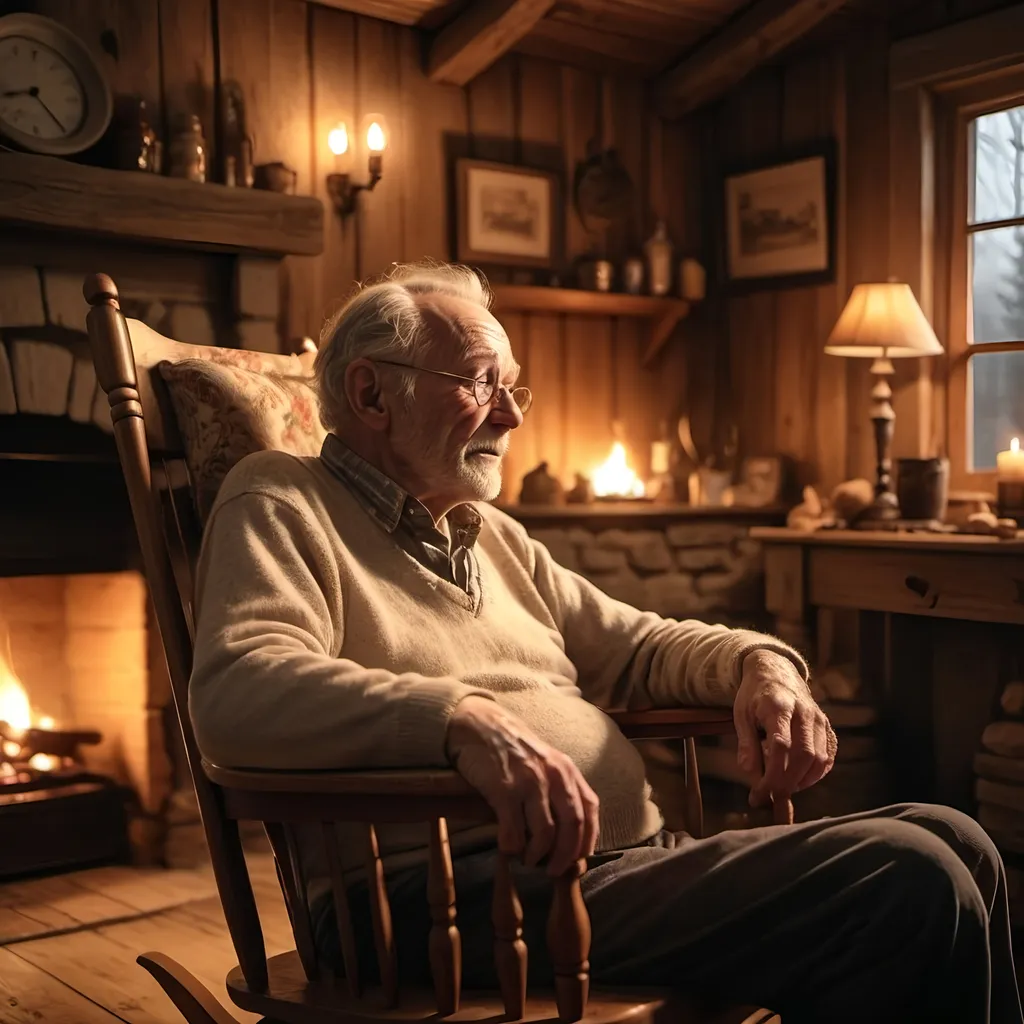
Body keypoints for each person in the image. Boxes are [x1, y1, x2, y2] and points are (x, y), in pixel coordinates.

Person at [189, 262, 1021, 1023]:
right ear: (373, 396)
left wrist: (758, 663)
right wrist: (459, 719)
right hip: (440, 899)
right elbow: (240, 687)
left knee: (961, 841)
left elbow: (640, 645)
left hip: (610, 870)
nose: (513, 414)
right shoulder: (281, 501)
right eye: (483, 383)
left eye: (514, 387)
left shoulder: (492, 537)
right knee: (911, 878)